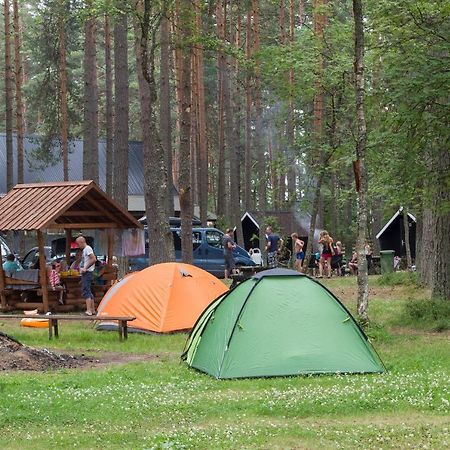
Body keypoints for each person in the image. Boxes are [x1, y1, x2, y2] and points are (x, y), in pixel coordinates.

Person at [76, 236, 97, 315]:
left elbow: (93, 259)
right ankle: (93, 310)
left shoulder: (87, 249)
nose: (78, 246)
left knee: (86, 291)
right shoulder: (85, 250)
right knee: (88, 290)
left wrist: (85, 268)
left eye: (78, 244)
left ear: (82, 242)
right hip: (86, 273)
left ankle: (89, 310)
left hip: (88, 272)